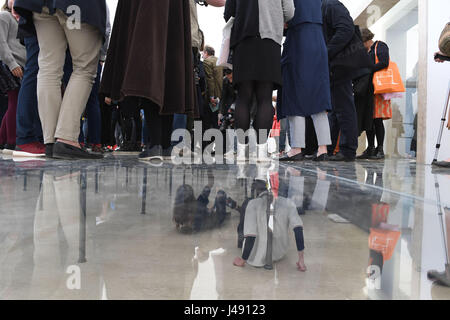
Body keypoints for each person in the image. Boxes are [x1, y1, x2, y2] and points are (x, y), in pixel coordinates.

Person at [101, 0, 195, 161]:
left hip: (146, 15)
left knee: (148, 76)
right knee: (169, 76)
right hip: (171, 16)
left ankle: (157, 144)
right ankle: (164, 145)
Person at [13, 0, 106, 160]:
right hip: (77, 5)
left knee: (48, 67)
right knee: (84, 67)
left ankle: (50, 141)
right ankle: (66, 138)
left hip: (38, 3)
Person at [224, 0, 295, 162]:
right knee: (265, 97)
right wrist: (275, 18)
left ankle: (241, 151)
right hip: (269, 41)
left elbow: (228, 13)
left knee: (243, 97)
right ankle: (262, 151)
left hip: (243, 41)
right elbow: (289, 12)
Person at [277, 0, 332, 162]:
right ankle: (323, 148)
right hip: (317, 39)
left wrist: (283, 21)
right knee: (318, 95)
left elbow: (287, 13)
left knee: (294, 94)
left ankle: (296, 148)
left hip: (298, 39)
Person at [233, 179, 307, 271]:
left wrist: (243, 260)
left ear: (257, 188)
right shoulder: (288, 203)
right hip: (280, 252)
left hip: (256, 256)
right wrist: (301, 260)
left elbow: (251, 235)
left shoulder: (253, 204)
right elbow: (298, 229)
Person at [322, 0, 359, 162]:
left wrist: (326, 51)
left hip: (339, 63)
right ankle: (332, 149)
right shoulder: (326, 6)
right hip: (333, 63)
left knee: (343, 107)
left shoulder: (331, 5)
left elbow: (346, 29)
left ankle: (348, 150)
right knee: (335, 109)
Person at [356, 28, 391, 160]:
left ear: (367, 39)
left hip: (378, 89)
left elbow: (384, 62)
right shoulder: (366, 51)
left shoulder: (380, 46)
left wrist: (366, 68)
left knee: (377, 119)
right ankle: (370, 148)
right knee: (368, 119)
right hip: (367, 89)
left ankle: (380, 149)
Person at [0, 0, 26, 155]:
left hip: (19, 65)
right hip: (10, 64)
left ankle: (3, 139)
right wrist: (12, 64)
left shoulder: (19, 20)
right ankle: (11, 142)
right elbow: (1, 42)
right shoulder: (4, 16)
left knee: (14, 102)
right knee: (14, 101)